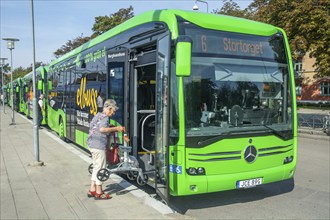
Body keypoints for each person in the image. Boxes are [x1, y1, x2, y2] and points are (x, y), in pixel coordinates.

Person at [86, 99, 125, 200]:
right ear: (109, 108)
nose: (113, 113)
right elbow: (102, 129)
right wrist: (116, 128)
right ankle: (99, 192)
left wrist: (110, 127)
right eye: (113, 111)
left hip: (91, 144)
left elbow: (94, 127)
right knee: (100, 169)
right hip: (99, 146)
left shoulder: (98, 115)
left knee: (95, 167)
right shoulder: (105, 118)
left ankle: (92, 189)